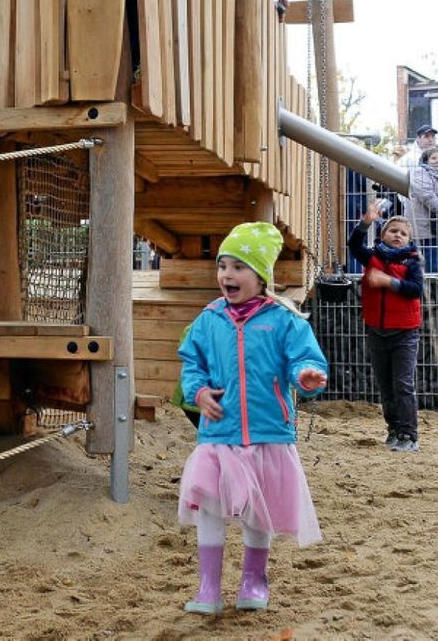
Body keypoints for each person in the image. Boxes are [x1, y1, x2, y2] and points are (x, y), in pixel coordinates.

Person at [176, 222, 328, 615]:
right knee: (210, 505)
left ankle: (254, 582)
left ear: (260, 276)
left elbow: (303, 360)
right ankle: (208, 588)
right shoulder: (209, 318)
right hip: (219, 434)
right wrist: (198, 392)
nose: (227, 274)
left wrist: (306, 376)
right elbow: (192, 364)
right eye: (223, 265)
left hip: (267, 432)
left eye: (238, 267)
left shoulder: (284, 320)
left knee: (258, 512)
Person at [347, 201, 424, 452]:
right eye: (393, 231)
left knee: (403, 385)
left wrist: (388, 282)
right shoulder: (372, 257)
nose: (397, 235)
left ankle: (409, 435)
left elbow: (416, 289)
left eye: (403, 233)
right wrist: (365, 222)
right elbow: (353, 245)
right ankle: (393, 429)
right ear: (382, 236)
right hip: (377, 331)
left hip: (405, 333)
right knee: (386, 386)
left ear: (409, 240)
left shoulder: (412, 262)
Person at [408, 145, 438, 273]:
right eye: (433, 158)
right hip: (426, 222)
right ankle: (434, 282)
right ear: (426, 159)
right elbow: (426, 195)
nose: (437, 161)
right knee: (432, 259)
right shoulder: (420, 173)